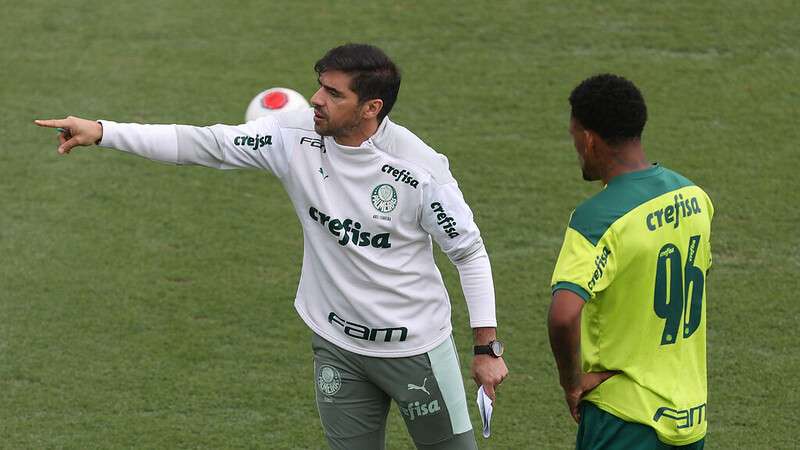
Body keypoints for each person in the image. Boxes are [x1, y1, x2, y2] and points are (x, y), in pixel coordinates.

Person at [35, 43, 507, 449]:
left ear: (371, 107)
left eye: (333, 93)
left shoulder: (420, 171)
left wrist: (487, 347)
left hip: (415, 351)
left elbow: (468, 252)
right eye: (320, 86)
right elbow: (207, 144)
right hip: (336, 345)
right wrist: (102, 131)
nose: (316, 99)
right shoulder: (293, 136)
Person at [548, 74, 713, 449]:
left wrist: (571, 383)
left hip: (623, 418)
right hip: (689, 415)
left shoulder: (598, 217)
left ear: (589, 138)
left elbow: (563, 315)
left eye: (574, 134)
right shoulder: (695, 197)